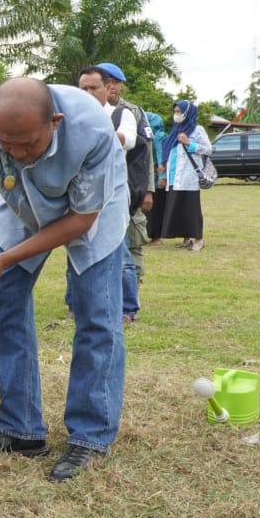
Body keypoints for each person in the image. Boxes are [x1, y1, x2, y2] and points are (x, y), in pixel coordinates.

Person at [0, 78, 129, 482]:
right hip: (22, 202)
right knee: (5, 306)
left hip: (95, 209)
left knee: (95, 314)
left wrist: (4, 259)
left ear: (56, 122)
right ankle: (21, 428)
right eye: (6, 144)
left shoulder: (91, 129)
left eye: (28, 144)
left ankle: (90, 435)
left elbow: (81, 221)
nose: (16, 152)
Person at [77, 66, 140, 323]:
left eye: (94, 88)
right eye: (83, 89)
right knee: (78, 249)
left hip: (112, 195)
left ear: (108, 89)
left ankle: (127, 308)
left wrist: (92, 133)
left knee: (120, 251)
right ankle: (76, 304)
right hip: (81, 195)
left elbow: (128, 139)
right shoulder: (72, 117)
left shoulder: (120, 115)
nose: (88, 93)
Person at [98, 62, 155, 281]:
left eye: (116, 83)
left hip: (132, 185)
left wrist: (148, 190)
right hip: (100, 189)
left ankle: (132, 294)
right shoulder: (85, 109)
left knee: (134, 239)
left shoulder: (133, 112)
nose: (111, 87)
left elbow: (147, 151)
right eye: (107, 82)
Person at [157, 100, 211, 251]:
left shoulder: (197, 130)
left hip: (189, 177)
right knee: (178, 208)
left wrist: (190, 144)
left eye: (179, 112)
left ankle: (198, 239)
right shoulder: (176, 129)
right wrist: (163, 166)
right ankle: (186, 238)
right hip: (174, 177)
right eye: (175, 111)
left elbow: (208, 149)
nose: (176, 115)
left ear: (188, 113)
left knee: (191, 209)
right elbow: (170, 150)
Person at [145, 111, 168, 246]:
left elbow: (161, 156)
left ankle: (156, 237)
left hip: (156, 178)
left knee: (156, 207)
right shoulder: (148, 135)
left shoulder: (158, 136)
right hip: (149, 176)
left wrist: (162, 175)